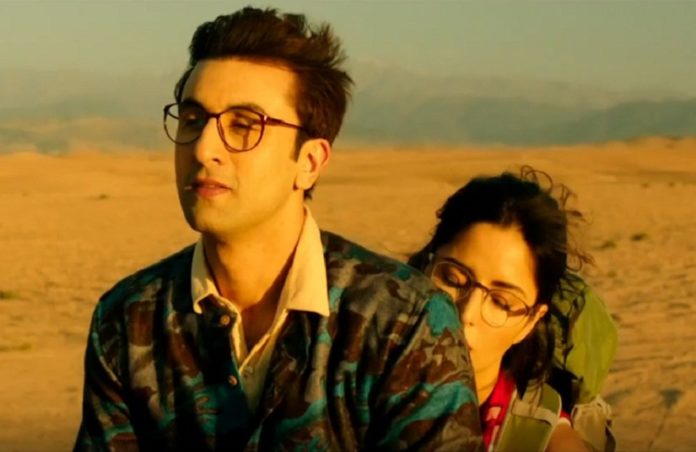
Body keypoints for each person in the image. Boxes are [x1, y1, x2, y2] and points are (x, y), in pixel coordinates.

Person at [74, 7, 482, 451]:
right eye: (192, 120)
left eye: (243, 126)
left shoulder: (403, 323)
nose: (204, 148)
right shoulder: (129, 319)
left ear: (309, 162)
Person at [409, 168, 596, 451]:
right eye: (452, 280)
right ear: (425, 266)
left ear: (530, 322)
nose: (466, 314)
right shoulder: (353, 377)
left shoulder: (544, 441)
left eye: (501, 302)